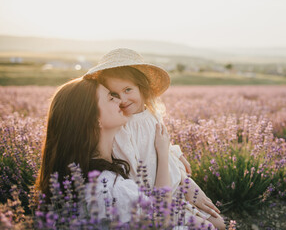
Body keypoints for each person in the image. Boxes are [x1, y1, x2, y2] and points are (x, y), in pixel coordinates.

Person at [35, 77, 214, 228]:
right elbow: (162, 218)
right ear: (94, 119)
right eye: (111, 97)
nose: (121, 101)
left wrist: (183, 178)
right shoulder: (113, 189)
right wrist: (163, 153)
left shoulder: (86, 169)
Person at [84, 48, 226, 229]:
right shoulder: (121, 125)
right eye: (115, 94)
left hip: (174, 188)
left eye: (128, 90)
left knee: (220, 223)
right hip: (155, 196)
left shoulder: (152, 114)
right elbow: (133, 171)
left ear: (142, 89)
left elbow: (162, 141)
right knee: (214, 227)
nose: (123, 99)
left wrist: (175, 154)